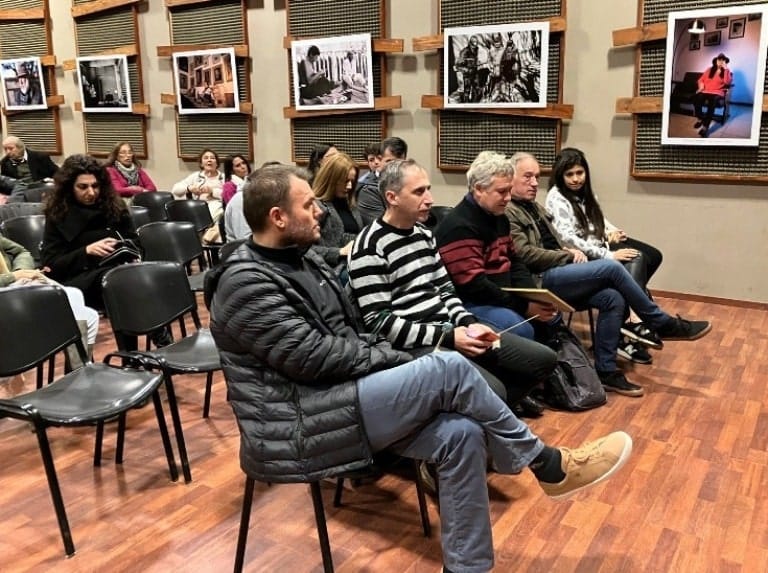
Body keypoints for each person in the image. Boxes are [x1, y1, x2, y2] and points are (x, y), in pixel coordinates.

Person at [206, 163, 633, 573]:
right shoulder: (246, 283)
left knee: (462, 434)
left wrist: (443, 334)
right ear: (278, 217)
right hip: (294, 423)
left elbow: (354, 335)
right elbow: (314, 359)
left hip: (337, 397)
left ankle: (466, 567)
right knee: (446, 367)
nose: (320, 211)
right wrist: (401, 358)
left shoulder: (306, 260)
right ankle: (547, 464)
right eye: (308, 205)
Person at [348, 158, 556, 416]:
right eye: (419, 192)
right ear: (392, 197)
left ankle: (485, 415)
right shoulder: (369, 247)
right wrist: (448, 337)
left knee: (543, 360)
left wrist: (468, 323)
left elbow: (446, 290)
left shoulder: (423, 235)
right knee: (495, 391)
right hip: (416, 345)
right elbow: (379, 323)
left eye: (428, 189)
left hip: (450, 329)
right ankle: (482, 415)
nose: (430, 199)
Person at [504, 152, 712, 396]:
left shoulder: (533, 206)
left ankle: (606, 370)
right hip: (541, 280)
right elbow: (525, 254)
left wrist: (571, 248)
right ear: (510, 178)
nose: (534, 183)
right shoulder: (509, 211)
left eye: (537, 177)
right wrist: (566, 255)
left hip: (562, 270)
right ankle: (659, 322)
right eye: (527, 177)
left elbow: (558, 238)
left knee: (613, 297)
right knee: (612, 266)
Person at [546, 147, 663, 363]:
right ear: (560, 175)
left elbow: (597, 217)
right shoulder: (556, 197)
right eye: (569, 174)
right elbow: (568, 238)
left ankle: (628, 322)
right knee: (636, 258)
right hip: (583, 255)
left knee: (653, 255)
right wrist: (608, 254)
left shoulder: (586, 192)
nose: (576, 179)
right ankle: (632, 321)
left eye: (580, 173)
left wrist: (611, 231)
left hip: (600, 243)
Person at [435, 151, 556, 343]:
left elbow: (515, 262)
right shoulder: (459, 226)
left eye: (509, 190)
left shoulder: (499, 217)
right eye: (502, 192)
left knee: (551, 316)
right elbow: (475, 286)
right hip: (472, 303)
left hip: (501, 295)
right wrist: (524, 306)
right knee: (524, 330)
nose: (508, 198)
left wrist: (534, 297)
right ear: (478, 189)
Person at [40, 154, 138, 309]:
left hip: (116, 268)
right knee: (119, 280)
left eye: (95, 186)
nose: (91, 193)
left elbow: (135, 242)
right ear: (69, 187)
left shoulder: (114, 207)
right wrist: (87, 251)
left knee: (145, 275)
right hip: (78, 277)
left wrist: (125, 249)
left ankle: (152, 324)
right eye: (83, 187)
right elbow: (51, 265)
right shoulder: (58, 214)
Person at [1, 235, 99, 351]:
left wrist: (21, 271)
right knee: (76, 305)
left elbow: (21, 252)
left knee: (84, 308)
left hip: (15, 284)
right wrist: (12, 277)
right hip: (5, 291)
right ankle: (76, 359)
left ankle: (80, 359)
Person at [311, 152, 363, 274]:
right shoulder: (316, 207)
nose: (349, 186)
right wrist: (339, 252)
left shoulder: (351, 205)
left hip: (354, 263)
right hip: (332, 271)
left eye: (352, 181)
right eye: (345, 181)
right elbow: (304, 250)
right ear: (331, 180)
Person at [356, 136, 407, 225]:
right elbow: (379, 225)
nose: (395, 167)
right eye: (390, 161)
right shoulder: (368, 189)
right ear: (381, 160)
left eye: (399, 163)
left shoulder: (408, 182)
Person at [171, 148, 224, 224]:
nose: (209, 160)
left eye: (212, 158)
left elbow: (231, 195)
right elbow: (175, 190)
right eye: (206, 158)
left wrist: (212, 191)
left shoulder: (224, 177)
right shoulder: (195, 176)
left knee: (214, 211)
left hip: (217, 206)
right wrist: (189, 188)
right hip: (197, 206)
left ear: (217, 163)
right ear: (201, 164)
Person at [694, 53, 732, 138]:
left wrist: (726, 69)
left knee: (712, 101)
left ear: (725, 62)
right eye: (719, 60)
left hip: (717, 92)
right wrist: (701, 86)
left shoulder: (727, 71)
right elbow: (701, 79)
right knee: (697, 98)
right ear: (716, 61)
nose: (721, 61)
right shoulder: (709, 69)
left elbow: (727, 82)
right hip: (706, 91)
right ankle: (700, 118)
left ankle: (705, 127)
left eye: (723, 60)